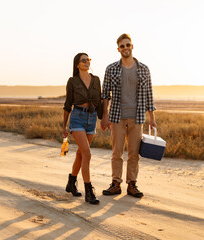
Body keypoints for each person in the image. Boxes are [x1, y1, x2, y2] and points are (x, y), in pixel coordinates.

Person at [100, 34, 157, 198]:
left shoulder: (143, 69)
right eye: (122, 46)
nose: (125, 48)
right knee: (116, 153)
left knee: (134, 153)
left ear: (132, 46)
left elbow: (148, 95)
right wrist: (105, 116)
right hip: (117, 117)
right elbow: (105, 95)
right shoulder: (111, 69)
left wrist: (152, 119)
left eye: (128, 45)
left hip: (137, 117)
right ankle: (115, 183)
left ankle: (132, 184)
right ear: (118, 49)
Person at [63, 53, 101, 205]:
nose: (86, 62)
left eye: (88, 60)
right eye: (83, 60)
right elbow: (67, 104)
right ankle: (89, 191)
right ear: (77, 64)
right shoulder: (72, 81)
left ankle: (71, 182)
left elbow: (100, 99)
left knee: (80, 154)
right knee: (87, 153)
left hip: (91, 118)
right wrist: (64, 126)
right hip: (77, 117)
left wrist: (104, 118)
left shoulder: (96, 80)